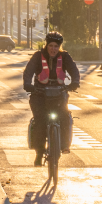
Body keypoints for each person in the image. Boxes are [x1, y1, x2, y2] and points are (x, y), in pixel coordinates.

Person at [23, 32, 79, 166]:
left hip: (59, 94)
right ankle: (39, 152)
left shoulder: (65, 57)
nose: (53, 49)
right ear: (46, 45)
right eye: (51, 46)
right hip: (39, 94)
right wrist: (28, 84)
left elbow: (74, 70)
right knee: (40, 121)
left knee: (65, 116)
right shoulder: (38, 56)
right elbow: (28, 71)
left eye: (56, 46)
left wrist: (75, 82)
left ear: (59, 47)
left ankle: (64, 145)